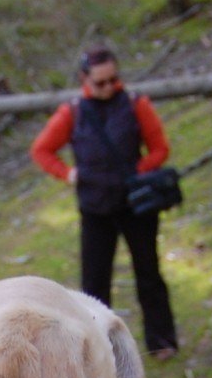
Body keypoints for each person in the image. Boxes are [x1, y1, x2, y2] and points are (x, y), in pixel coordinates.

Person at [31, 46, 180, 357]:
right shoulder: (72, 112)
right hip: (95, 208)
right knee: (95, 282)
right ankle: (97, 350)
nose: (110, 87)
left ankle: (162, 341)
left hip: (135, 206)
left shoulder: (136, 104)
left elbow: (159, 149)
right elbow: (42, 150)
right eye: (101, 82)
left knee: (148, 273)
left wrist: (135, 174)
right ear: (85, 79)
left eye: (114, 79)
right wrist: (69, 174)